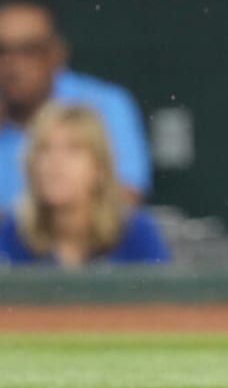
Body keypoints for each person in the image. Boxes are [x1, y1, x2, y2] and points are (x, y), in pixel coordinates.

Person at [0, 0, 152, 205]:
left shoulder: (101, 103)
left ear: (56, 53)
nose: (12, 65)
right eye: (2, 50)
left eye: (29, 50)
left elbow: (125, 198)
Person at [0, 101, 170, 266]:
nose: (55, 162)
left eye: (73, 149)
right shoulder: (11, 234)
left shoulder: (136, 233)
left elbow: (165, 294)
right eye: (44, 149)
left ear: (100, 168)